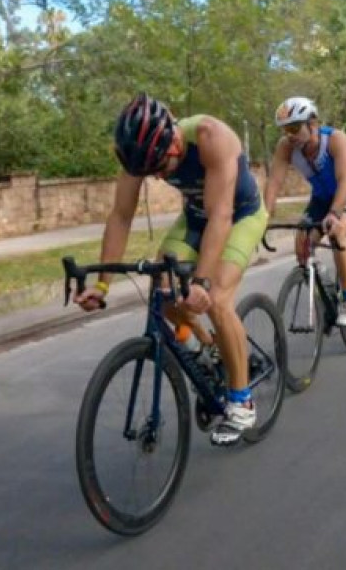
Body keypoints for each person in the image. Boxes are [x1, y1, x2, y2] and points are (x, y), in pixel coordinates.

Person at [74, 93, 268, 447]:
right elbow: (121, 216)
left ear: (174, 139)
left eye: (162, 167)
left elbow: (221, 216)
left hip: (240, 215)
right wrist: (101, 286)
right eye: (151, 172)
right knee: (162, 291)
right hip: (196, 217)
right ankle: (209, 350)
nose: (160, 175)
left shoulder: (212, 138)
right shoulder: (139, 156)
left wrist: (201, 282)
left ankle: (242, 401)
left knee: (219, 300)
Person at [264, 97, 346, 326]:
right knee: (301, 242)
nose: (289, 134)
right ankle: (323, 278)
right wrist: (264, 217)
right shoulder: (286, 147)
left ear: (313, 123)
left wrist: (334, 213)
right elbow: (274, 182)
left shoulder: (335, 139)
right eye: (284, 129)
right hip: (320, 199)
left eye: (293, 127)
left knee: (336, 232)